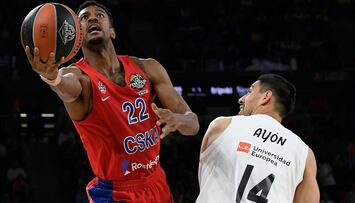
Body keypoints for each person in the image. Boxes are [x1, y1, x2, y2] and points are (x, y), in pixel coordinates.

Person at [24, 1, 199, 202]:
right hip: (115, 193)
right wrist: (51, 77)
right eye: (84, 17)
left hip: (156, 182)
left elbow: (192, 124)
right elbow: (65, 87)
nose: (92, 18)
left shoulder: (148, 68)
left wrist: (178, 120)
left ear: (113, 32)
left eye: (99, 15)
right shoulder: (79, 76)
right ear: (77, 37)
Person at [196, 74, 319, 203]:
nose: (241, 99)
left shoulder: (222, 126)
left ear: (266, 97)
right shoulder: (305, 155)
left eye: (249, 91)